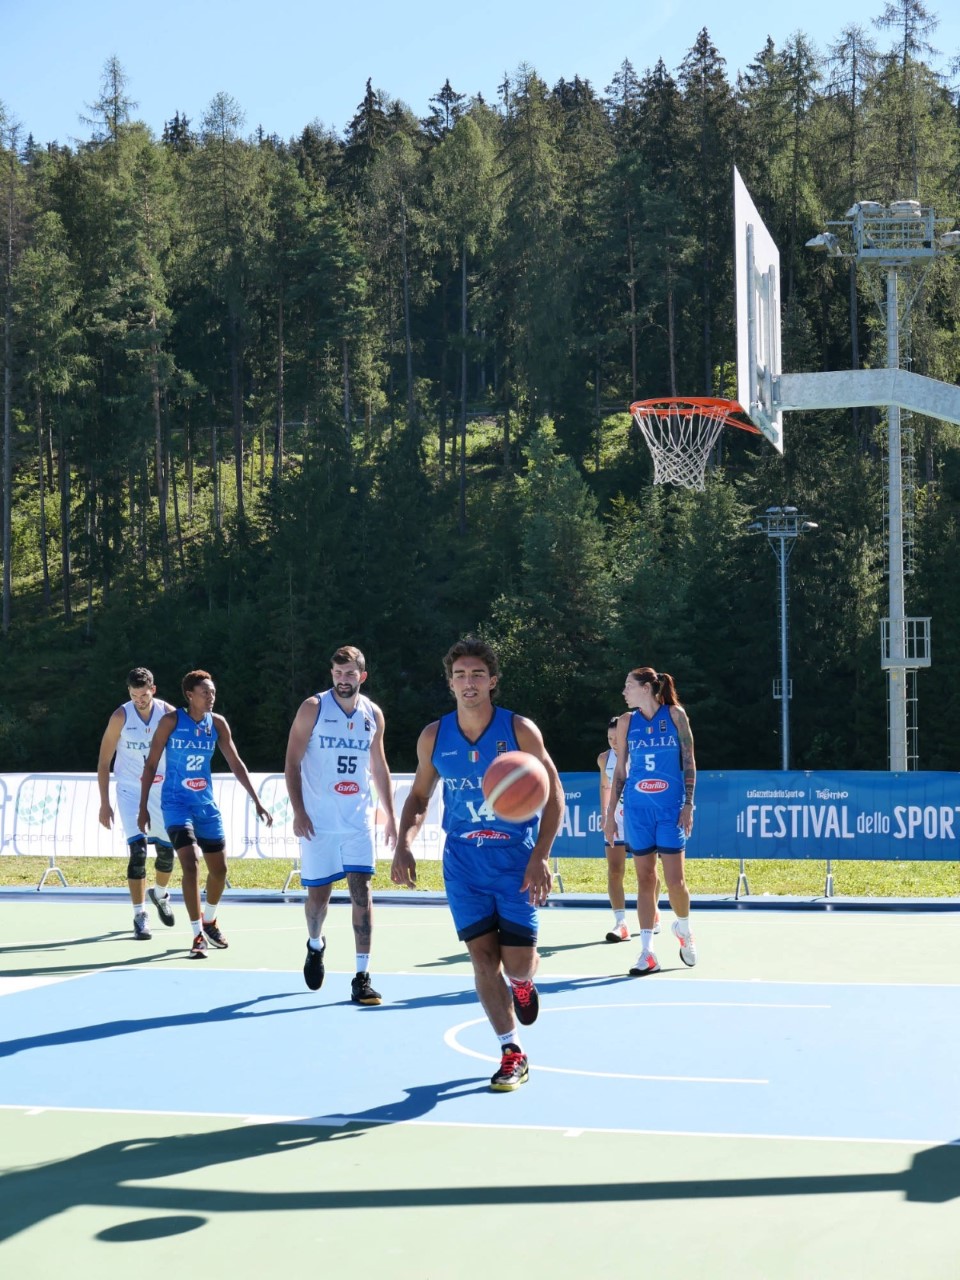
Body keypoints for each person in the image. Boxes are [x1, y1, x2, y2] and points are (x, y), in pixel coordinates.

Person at [391, 637, 564, 1092]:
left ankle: (524, 983)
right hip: (463, 863)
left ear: (493, 681)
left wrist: (540, 856)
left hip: (515, 862)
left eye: (477, 675)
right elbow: (420, 795)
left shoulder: (519, 730)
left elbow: (555, 796)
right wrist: (404, 844)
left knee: (518, 963)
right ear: (450, 683)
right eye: (460, 675)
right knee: (483, 961)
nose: (469, 683)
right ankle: (512, 1051)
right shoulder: (435, 736)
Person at [284, 645, 398, 1006]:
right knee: (319, 898)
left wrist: (391, 815)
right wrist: (299, 811)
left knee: (361, 892)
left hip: (357, 821)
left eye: (350, 674)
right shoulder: (313, 708)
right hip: (318, 822)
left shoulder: (372, 714)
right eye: (337, 673)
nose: (343, 680)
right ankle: (315, 945)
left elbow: (379, 767)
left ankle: (362, 976)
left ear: (362, 676)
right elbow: (291, 762)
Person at [138, 669, 272, 959]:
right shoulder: (171, 722)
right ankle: (197, 933)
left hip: (205, 805)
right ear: (190, 695)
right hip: (175, 803)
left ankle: (210, 920)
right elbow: (150, 765)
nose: (211, 696)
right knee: (190, 863)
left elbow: (236, 763)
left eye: (213, 692)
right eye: (205, 692)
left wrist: (257, 800)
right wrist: (142, 808)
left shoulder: (218, 724)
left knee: (220, 871)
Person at [604, 667, 697, 976]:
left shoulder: (675, 716)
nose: (624, 692)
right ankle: (648, 953)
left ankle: (683, 929)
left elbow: (689, 761)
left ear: (646, 688)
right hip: (637, 810)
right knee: (645, 879)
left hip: (670, 809)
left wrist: (688, 804)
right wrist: (610, 816)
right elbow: (619, 772)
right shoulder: (625, 723)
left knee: (675, 882)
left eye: (628, 685)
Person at [97, 667, 177, 941]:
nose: (139, 700)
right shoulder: (121, 716)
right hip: (130, 790)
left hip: (160, 790)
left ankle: (160, 894)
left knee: (167, 854)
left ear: (153, 690)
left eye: (143, 695)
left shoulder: (168, 714)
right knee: (138, 851)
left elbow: (180, 753)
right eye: (134, 695)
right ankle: (140, 914)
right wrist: (104, 803)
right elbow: (104, 761)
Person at [598, 715, 661, 944]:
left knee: (647, 872)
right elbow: (605, 787)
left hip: (639, 820)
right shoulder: (604, 758)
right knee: (615, 870)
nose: (614, 741)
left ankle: (653, 912)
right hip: (616, 820)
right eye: (609, 738)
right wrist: (606, 816)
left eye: (617, 737)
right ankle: (620, 923)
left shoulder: (640, 754)